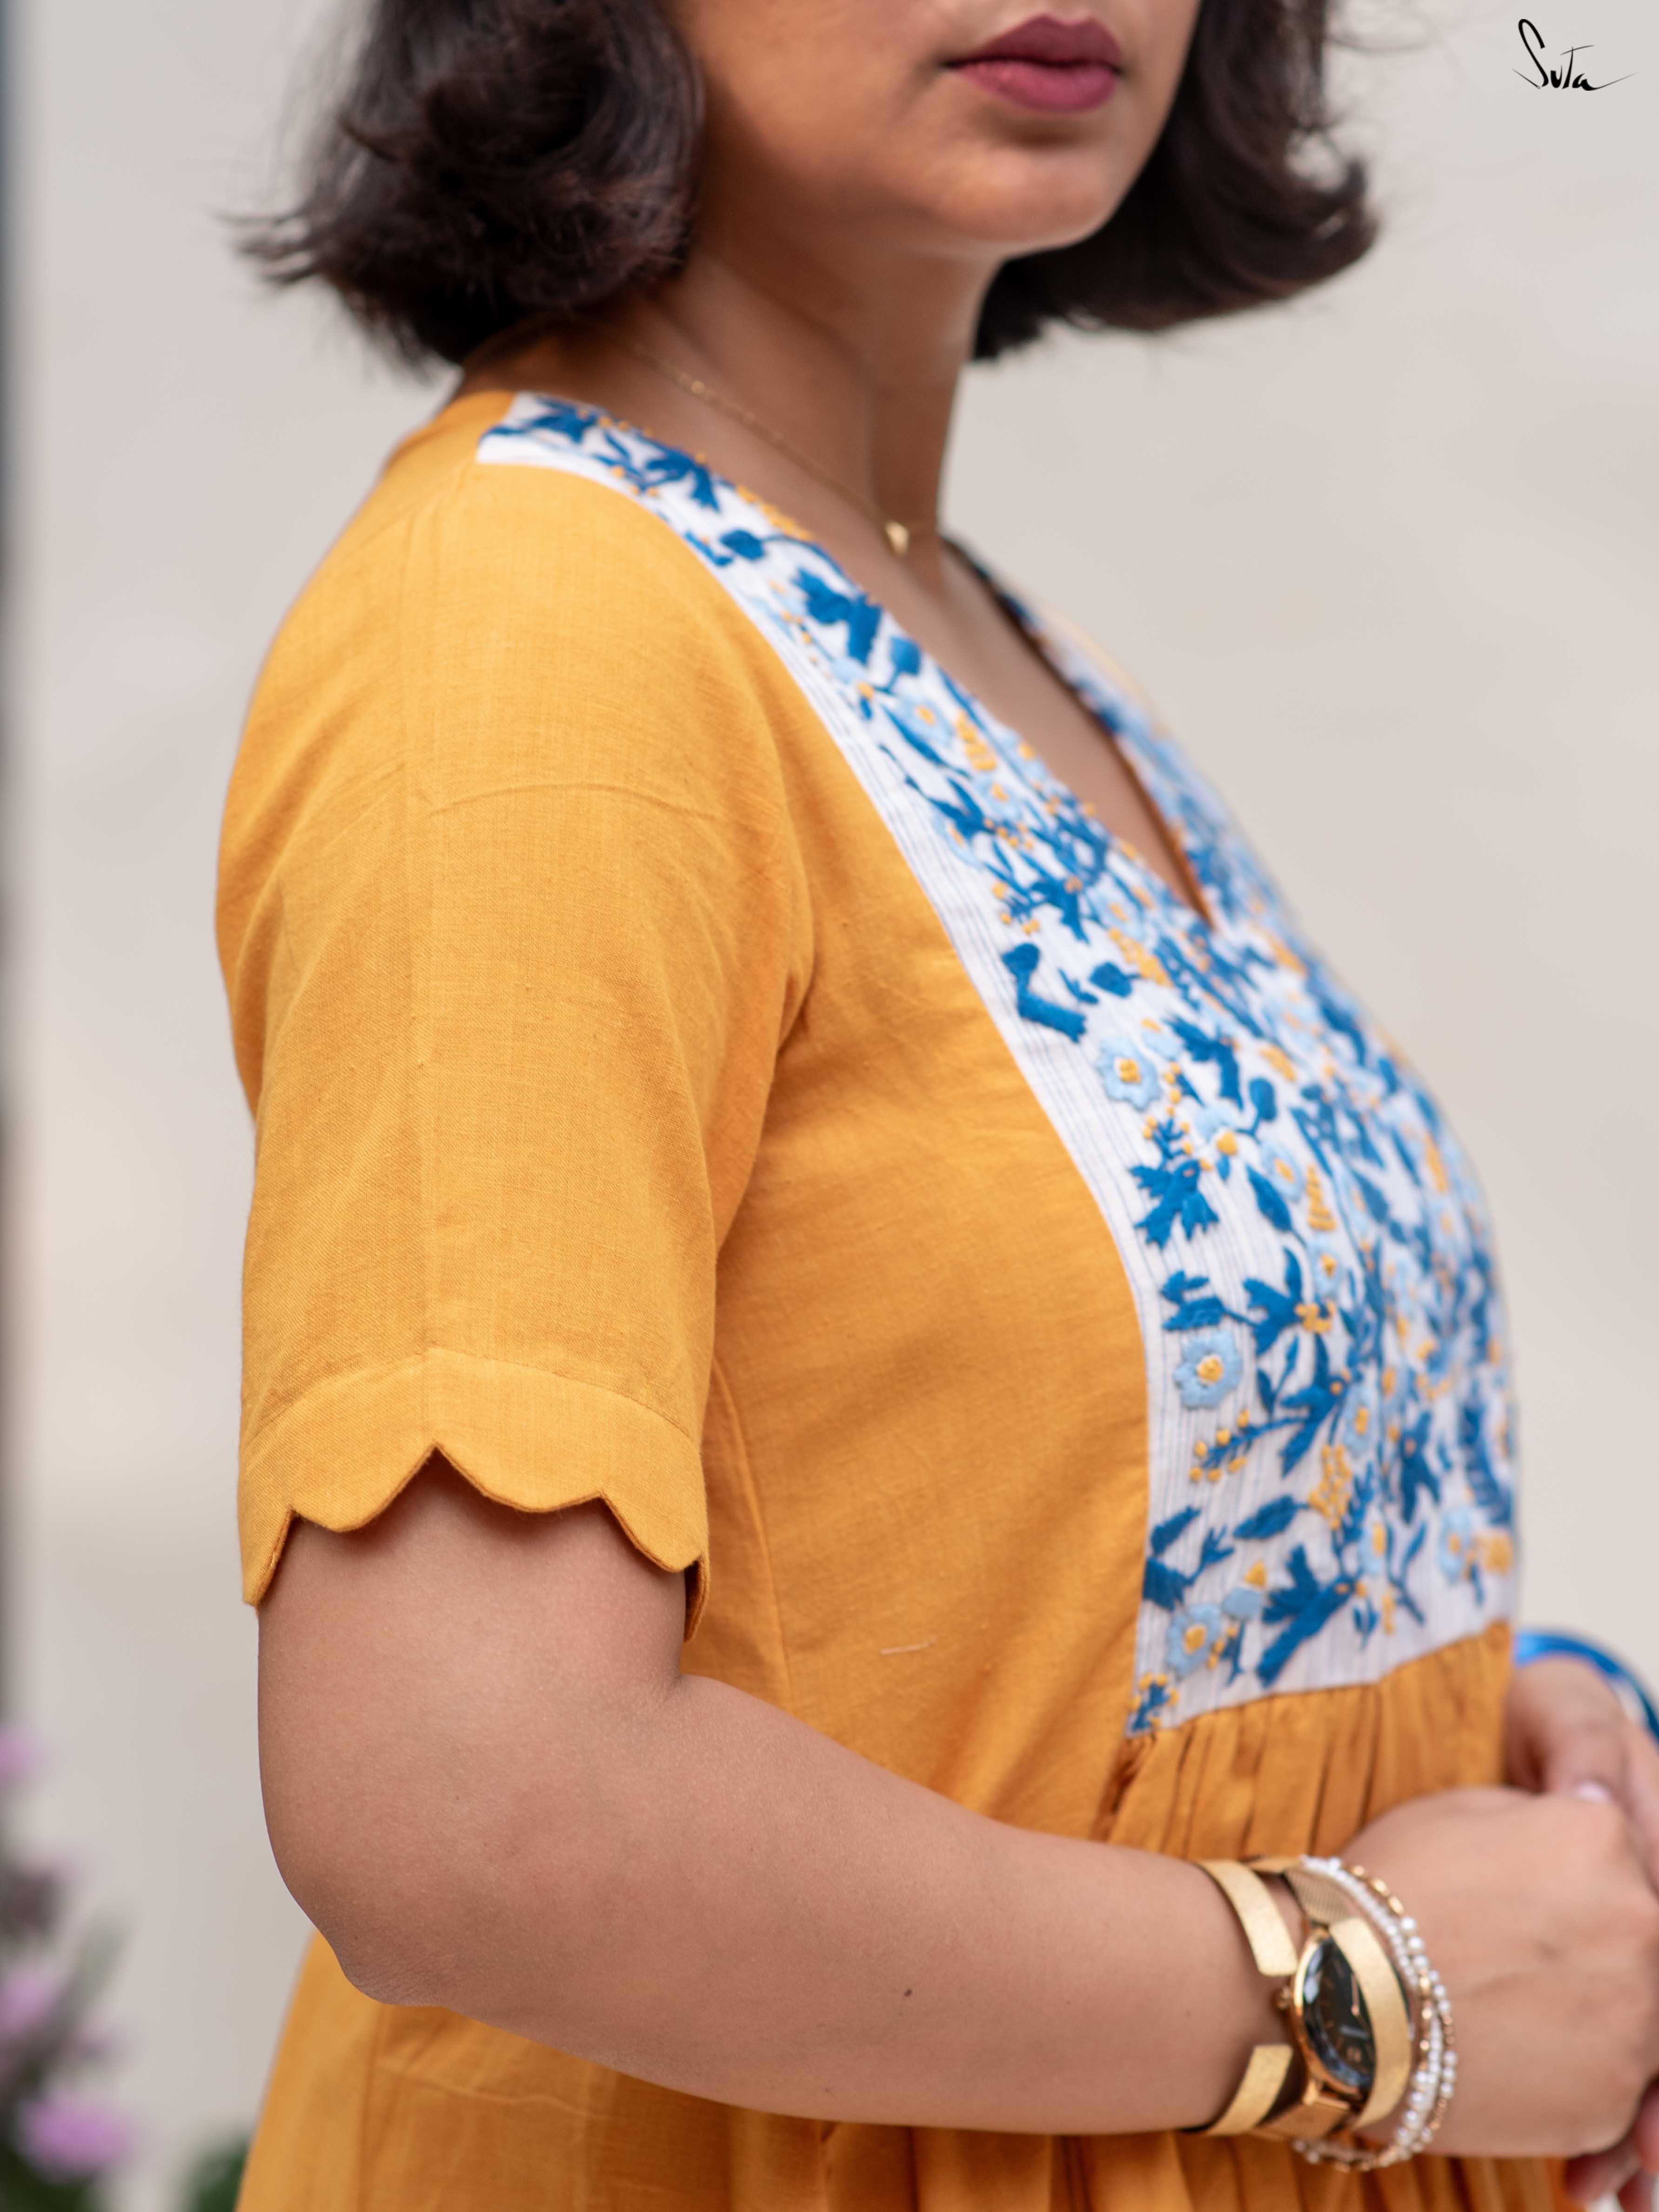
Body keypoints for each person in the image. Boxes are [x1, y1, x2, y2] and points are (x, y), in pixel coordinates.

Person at [219, 1, 1659, 2207]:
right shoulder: (530, 635)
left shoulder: (947, 621)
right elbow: (468, 1807)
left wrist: (1495, 1741)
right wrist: (1351, 1983)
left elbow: (1018, 1546)